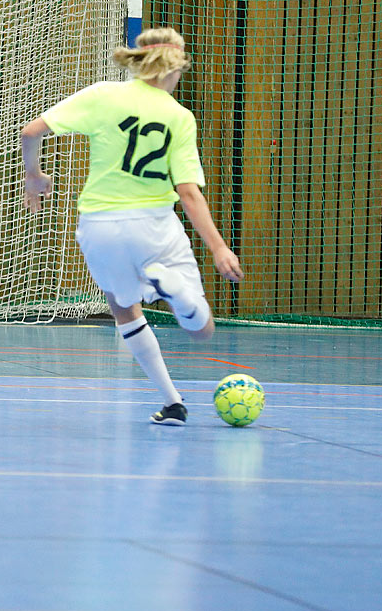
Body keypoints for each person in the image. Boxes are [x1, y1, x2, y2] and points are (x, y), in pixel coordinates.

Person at [20, 28, 242, 425]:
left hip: (99, 226)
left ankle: (172, 401)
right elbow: (189, 193)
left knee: (123, 307)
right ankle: (175, 292)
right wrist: (219, 248)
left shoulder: (103, 94)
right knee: (201, 330)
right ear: (174, 69)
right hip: (154, 224)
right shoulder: (179, 116)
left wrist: (34, 176)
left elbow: (31, 131)